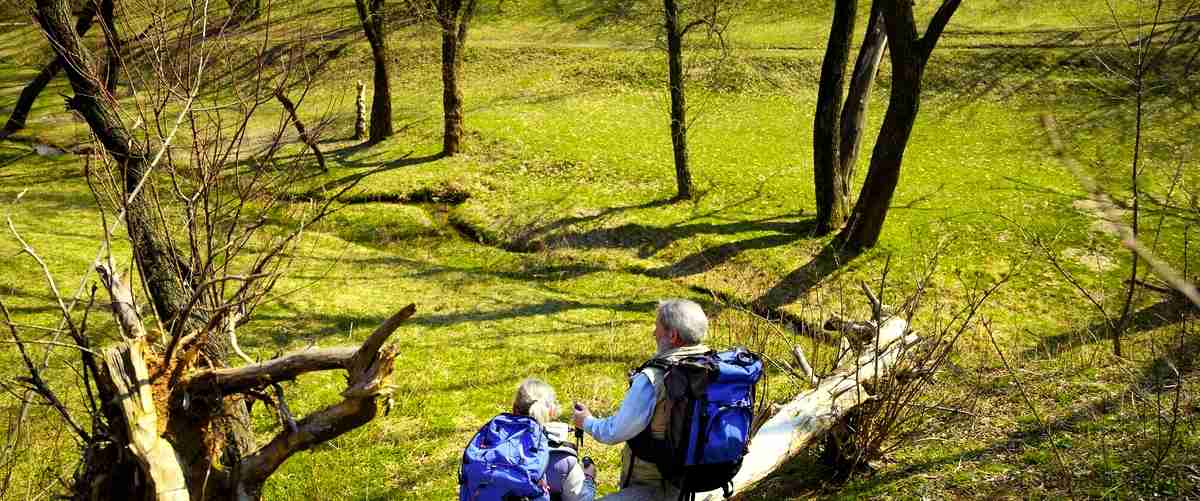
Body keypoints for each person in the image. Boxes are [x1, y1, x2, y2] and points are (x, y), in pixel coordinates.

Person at [572, 299, 711, 500]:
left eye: (657, 328)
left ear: (672, 335)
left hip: (651, 487)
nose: (654, 333)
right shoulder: (710, 367)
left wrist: (586, 421)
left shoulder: (654, 378)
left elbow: (615, 431)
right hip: (693, 482)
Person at [513, 378, 597, 501]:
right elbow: (583, 498)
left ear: (514, 409)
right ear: (552, 411)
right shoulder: (564, 459)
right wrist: (589, 478)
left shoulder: (490, 441)